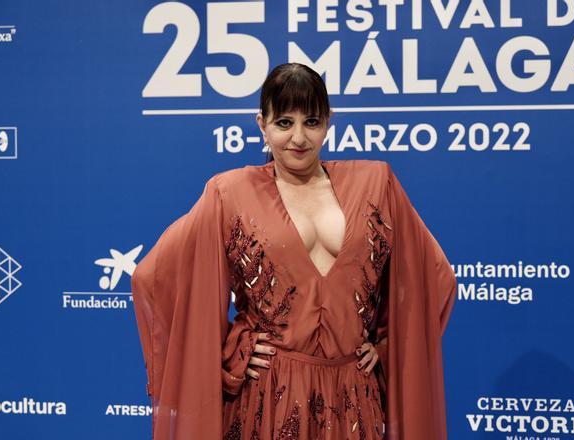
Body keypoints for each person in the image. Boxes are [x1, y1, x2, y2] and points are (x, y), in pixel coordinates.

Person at [131, 62, 457, 440]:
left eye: (312, 122)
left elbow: (435, 278)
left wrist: (386, 347)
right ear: (262, 124)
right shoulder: (229, 192)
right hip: (269, 396)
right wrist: (230, 349)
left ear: (329, 122)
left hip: (352, 399)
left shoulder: (376, 183)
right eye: (284, 123)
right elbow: (154, 279)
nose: (299, 138)